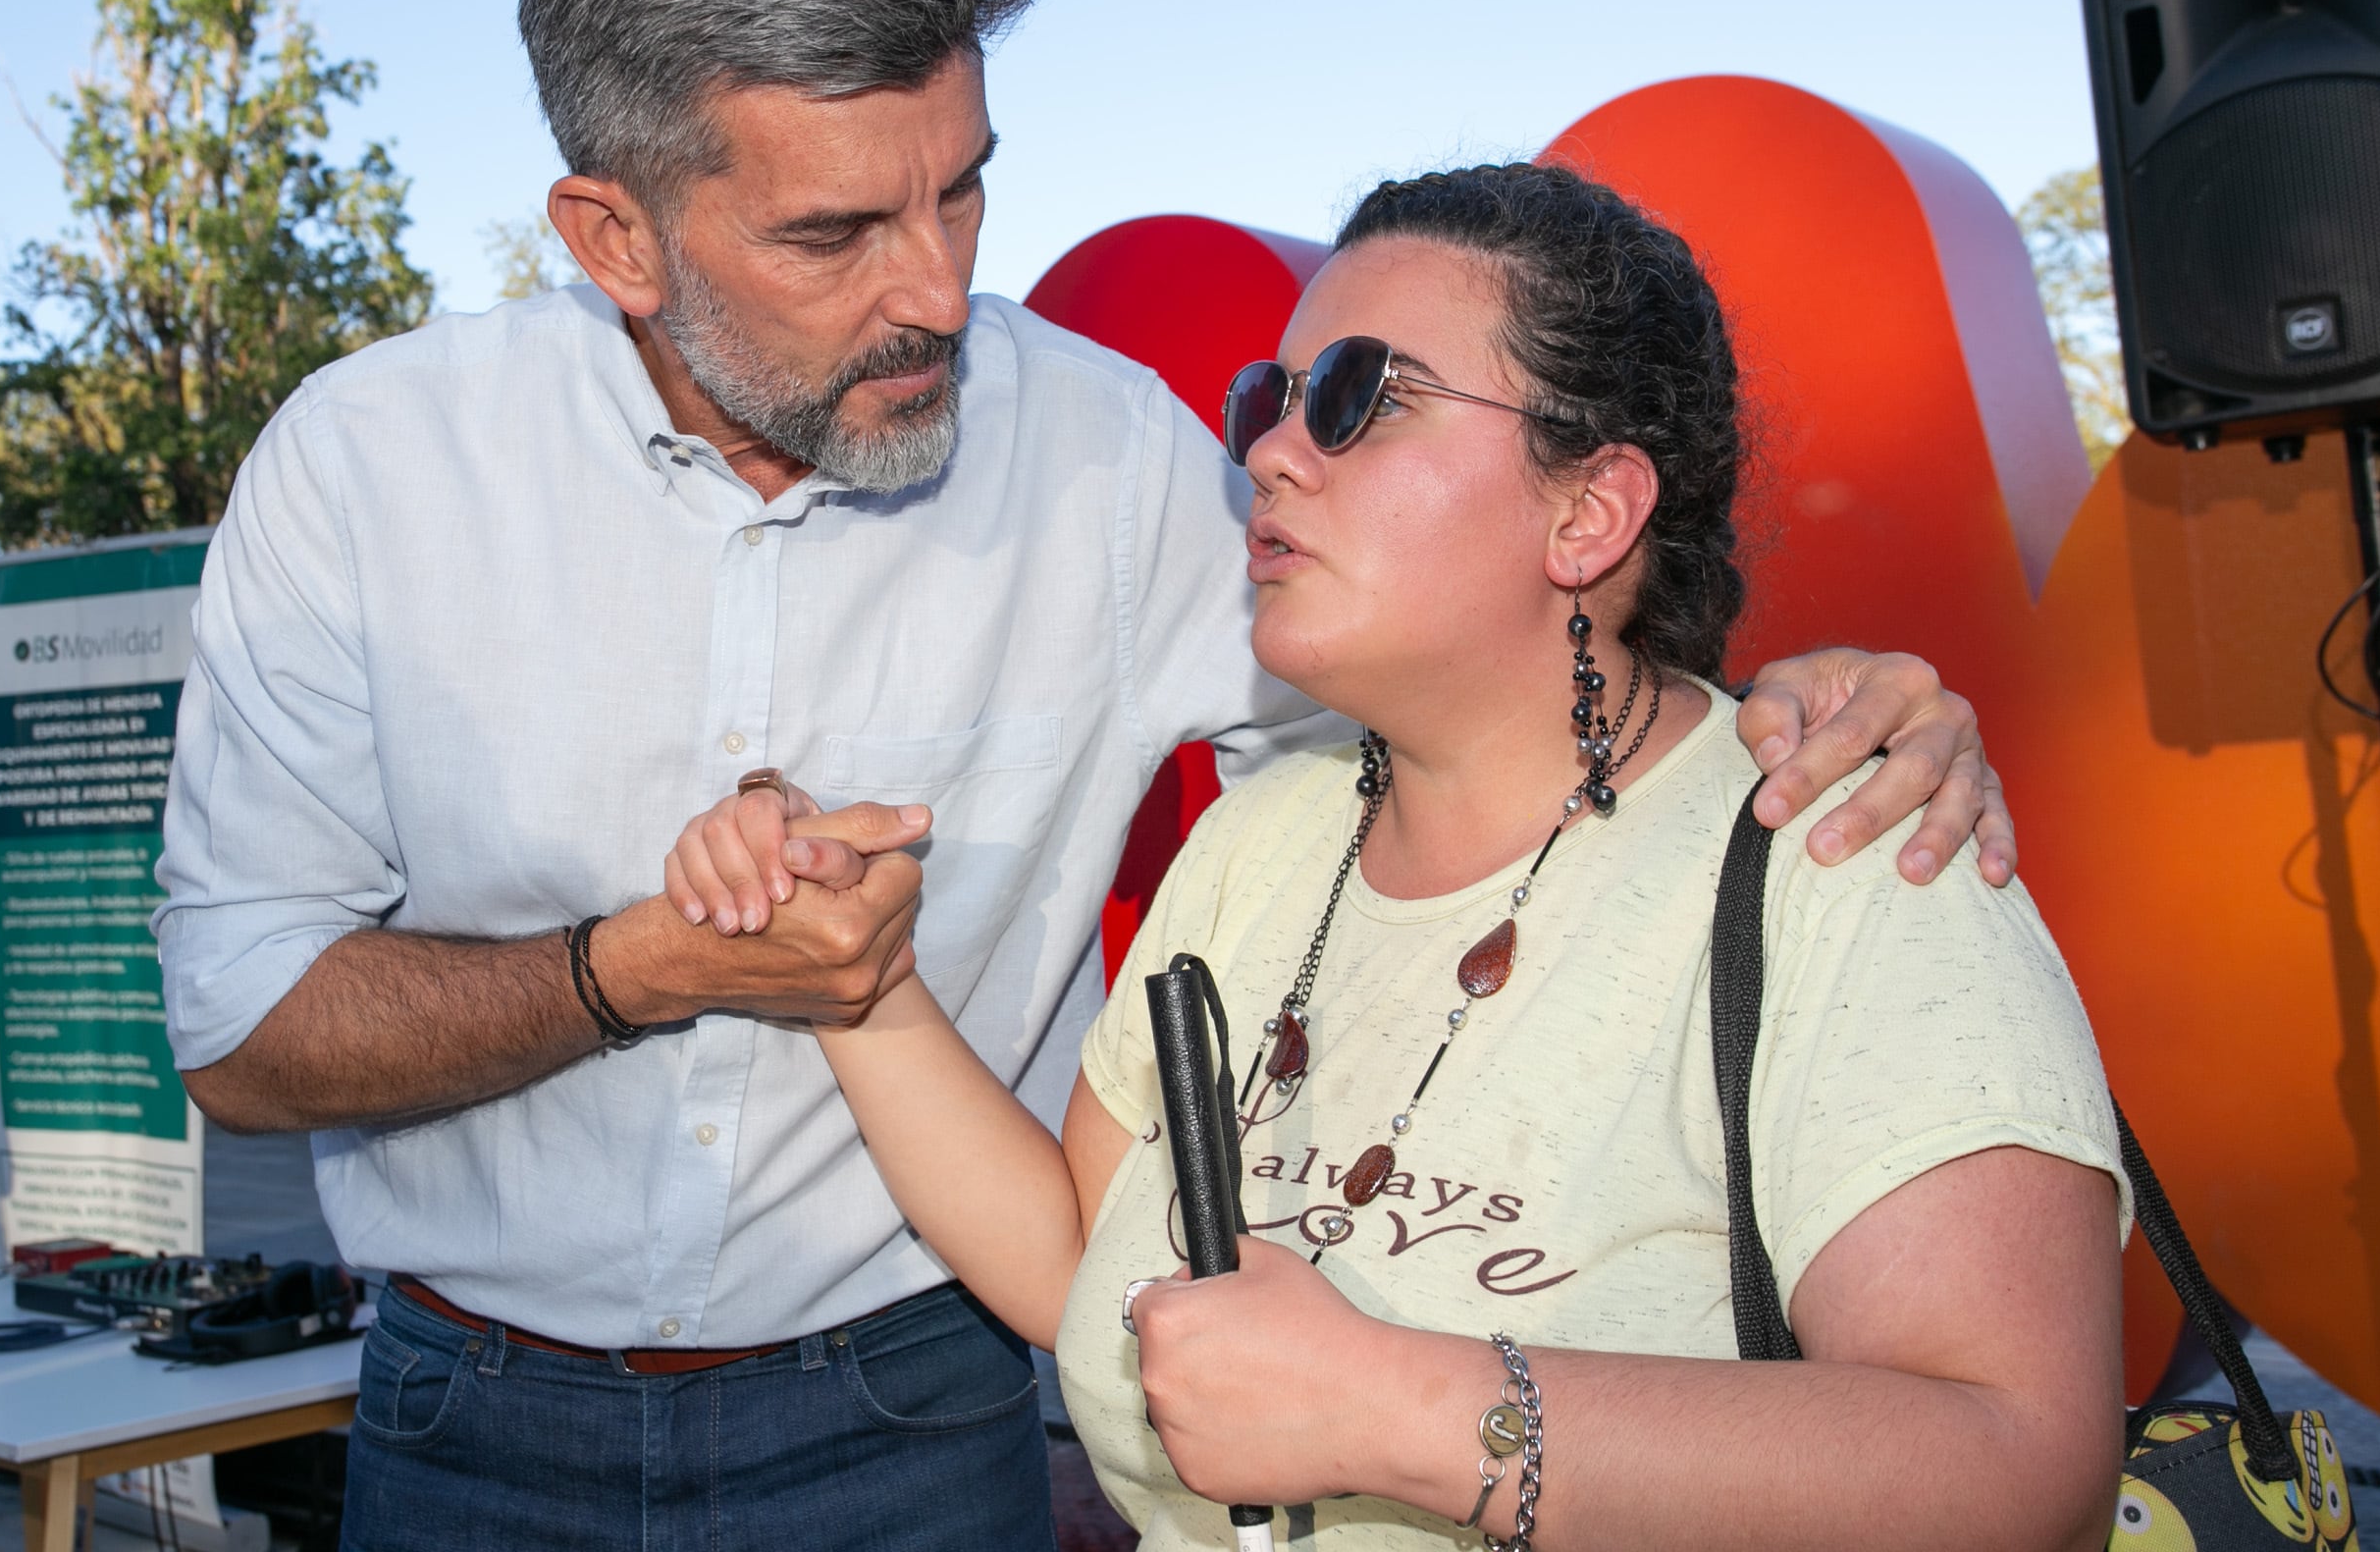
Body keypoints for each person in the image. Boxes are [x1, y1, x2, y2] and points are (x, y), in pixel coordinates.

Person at [150, 0, 2018, 1551]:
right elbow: (238, 1032)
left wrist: (1802, 688)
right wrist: (636, 970)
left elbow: (1491, 645)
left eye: (961, 188)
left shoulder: (1111, 456)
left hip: (911, 1410)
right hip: (467, 1423)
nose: (943, 290)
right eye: (835, 231)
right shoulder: (366, 471)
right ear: (613, 234)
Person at [781, 163, 2125, 1552]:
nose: (1274, 453)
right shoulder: (1263, 836)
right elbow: (1090, 1256)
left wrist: (1405, 1415)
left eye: (1367, 394)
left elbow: (2019, 1469)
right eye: (1271, 400)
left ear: (1588, 515)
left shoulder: (1838, 845)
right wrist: (860, 987)